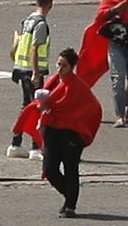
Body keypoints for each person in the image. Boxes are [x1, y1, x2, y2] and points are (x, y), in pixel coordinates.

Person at [35, 48, 102, 217]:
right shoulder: (53, 82)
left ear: (71, 67)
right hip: (53, 130)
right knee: (50, 169)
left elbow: (92, 107)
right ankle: (69, 195)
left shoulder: (77, 86)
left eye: (64, 66)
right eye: (58, 64)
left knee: (71, 168)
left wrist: (50, 107)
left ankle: (71, 205)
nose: (59, 69)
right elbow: (46, 102)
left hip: (71, 132)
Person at [7, 0, 54, 158]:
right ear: (50, 3)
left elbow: (17, 45)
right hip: (32, 71)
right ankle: (35, 147)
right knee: (37, 108)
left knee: (26, 106)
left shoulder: (27, 20)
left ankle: (15, 144)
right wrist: (36, 73)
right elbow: (34, 48)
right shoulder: (41, 24)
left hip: (20, 68)